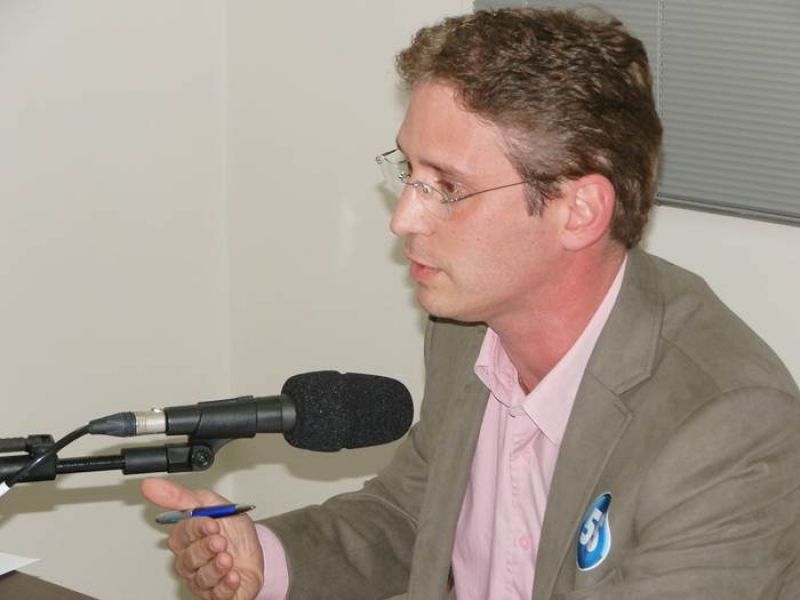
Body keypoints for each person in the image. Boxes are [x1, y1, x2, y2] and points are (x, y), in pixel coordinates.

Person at [141, 7, 800, 600]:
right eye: (409, 173)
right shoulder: (467, 328)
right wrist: (268, 559)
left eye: (447, 187)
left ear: (579, 211)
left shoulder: (726, 430)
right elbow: (414, 516)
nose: (403, 217)